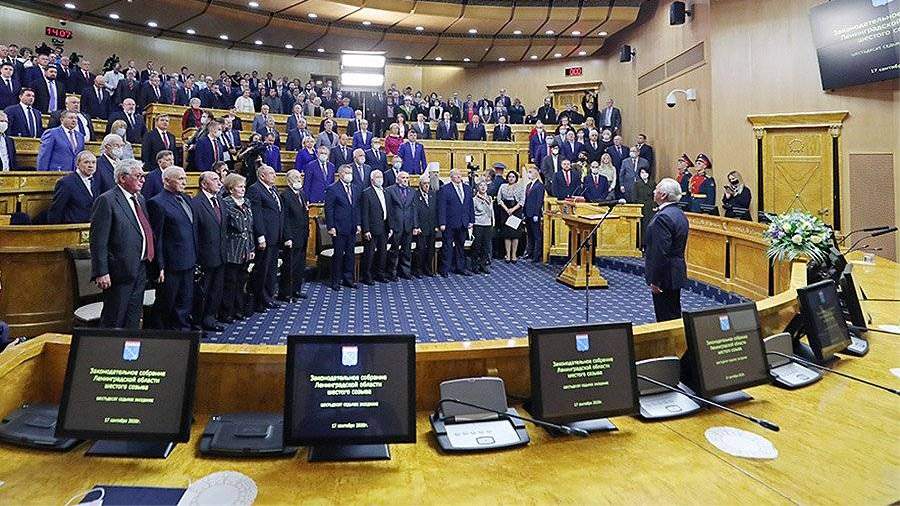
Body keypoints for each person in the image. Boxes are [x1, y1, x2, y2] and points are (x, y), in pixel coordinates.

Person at [90, 159, 154, 329]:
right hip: (118, 271)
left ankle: (129, 354)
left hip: (139, 268)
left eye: (143, 176)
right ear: (122, 178)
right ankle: (108, 354)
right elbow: (98, 240)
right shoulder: (107, 200)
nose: (143, 180)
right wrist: (101, 272)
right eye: (138, 176)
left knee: (133, 318)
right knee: (114, 319)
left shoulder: (140, 199)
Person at [148, 166, 198, 331]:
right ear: (167, 181)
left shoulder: (186, 199)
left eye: (185, 178)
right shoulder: (157, 202)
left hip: (189, 259)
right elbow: (158, 238)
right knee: (167, 302)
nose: (184, 182)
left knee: (185, 300)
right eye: (180, 179)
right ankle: (163, 334)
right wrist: (159, 265)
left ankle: (182, 330)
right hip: (171, 263)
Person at [645, 178, 689, 322]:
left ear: (663, 195)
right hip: (675, 272)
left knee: (665, 318)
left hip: (664, 276)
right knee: (674, 314)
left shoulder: (663, 217)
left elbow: (660, 252)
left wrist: (656, 280)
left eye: (656, 189)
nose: (653, 191)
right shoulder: (679, 213)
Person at [191, 171, 226, 332]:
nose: (219, 182)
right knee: (202, 293)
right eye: (214, 180)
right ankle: (198, 323)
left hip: (220, 254)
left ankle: (210, 320)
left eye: (219, 179)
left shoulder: (219, 200)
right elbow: (195, 232)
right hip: (204, 256)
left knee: (216, 291)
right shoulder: (196, 203)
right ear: (204, 184)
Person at [247, 164, 284, 311]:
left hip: (275, 236)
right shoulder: (255, 189)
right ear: (262, 175)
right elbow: (257, 215)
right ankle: (259, 299)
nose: (275, 176)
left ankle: (269, 296)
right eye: (271, 173)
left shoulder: (273, 189)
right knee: (262, 270)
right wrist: (261, 235)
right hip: (265, 237)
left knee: (271, 269)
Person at [220, 173, 255, 323]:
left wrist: (252, 248)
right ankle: (227, 312)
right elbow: (229, 228)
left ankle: (238, 310)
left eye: (244, 186)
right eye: (239, 187)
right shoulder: (226, 203)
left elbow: (250, 228)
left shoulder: (246, 202)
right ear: (231, 188)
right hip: (232, 250)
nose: (243, 189)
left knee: (242, 282)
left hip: (246, 249)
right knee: (230, 283)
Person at [324, 165, 361, 291]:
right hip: (338, 228)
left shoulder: (355, 188)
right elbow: (329, 209)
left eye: (350, 172)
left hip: (351, 227)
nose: (349, 175)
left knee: (350, 254)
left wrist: (358, 224)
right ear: (340, 174)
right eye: (346, 172)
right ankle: (335, 281)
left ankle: (348, 279)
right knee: (338, 255)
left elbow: (356, 208)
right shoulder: (332, 189)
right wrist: (331, 226)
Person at [437, 169, 475, 277]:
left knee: (460, 247)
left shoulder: (467, 188)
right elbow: (442, 207)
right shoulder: (445, 189)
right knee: (447, 247)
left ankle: (460, 268)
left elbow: (470, 206)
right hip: (449, 223)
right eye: (456, 175)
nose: (458, 176)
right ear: (451, 177)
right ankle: (445, 269)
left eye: (459, 175)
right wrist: (442, 223)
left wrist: (471, 220)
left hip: (463, 223)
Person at [47, 150, 100, 224]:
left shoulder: (96, 181)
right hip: (72, 228)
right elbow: (56, 210)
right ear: (77, 164)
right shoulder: (66, 182)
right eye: (86, 162)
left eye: (93, 162)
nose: (91, 165)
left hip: (91, 227)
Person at [279, 169, 309, 299]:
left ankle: (296, 289)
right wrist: (287, 237)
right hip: (292, 236)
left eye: (300, 177)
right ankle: (286, 292)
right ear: (289, 180)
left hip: (302, 235)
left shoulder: (301, 193)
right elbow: (284, 218)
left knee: (300, 265)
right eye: (296, 177)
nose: (299, 179)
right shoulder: (285, 195)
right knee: (290, 265)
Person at [386, 171, 418, 280]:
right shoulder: (390, 190)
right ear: (397, 179)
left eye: (407, 178)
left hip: (408, 225)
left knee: (407, 250)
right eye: (403, 177)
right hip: (396, 225)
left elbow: (414, 209)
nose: (405, 179)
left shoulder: (412, 191)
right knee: (394, 250)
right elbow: (388, 210)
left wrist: (415, 226)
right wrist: (390, 226)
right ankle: (392, 272)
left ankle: (405, 272)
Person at [360, 170, 390, 285]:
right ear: (372, 179)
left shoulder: (385, 192)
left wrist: (390, 227)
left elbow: (388, 210)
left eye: (381, 176)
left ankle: (380, 274)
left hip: (384, 227)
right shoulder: (366, 193)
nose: (380, 179)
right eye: (377, 177)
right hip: (371, 229)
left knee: (383, 252)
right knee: (370, 253)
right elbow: (365, 213)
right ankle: (367, 275)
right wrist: (366, 230)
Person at [497, 171, 525, 263]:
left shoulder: (520, 187)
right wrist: (506, 209)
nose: (511, 178)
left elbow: (522, 201)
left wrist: (512, 210)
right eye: (509, 177)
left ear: (516, 178)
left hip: (516, 211)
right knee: (507, 234)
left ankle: (514, 255)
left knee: (515, 234)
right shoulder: (503, 186)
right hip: (505, 211)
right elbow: (499, 199)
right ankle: (508, 254)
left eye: (513, 177)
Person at [412, 175, 438, 277]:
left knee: (431, 249)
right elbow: (414, 212)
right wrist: (416, 226)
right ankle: (418, 270)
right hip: (421, 228)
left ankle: (428, 268)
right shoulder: (415, 195)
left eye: (428, 183)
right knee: (420, 250)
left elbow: (436, 211)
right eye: (424, 184)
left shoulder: (433, 194)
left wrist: (436, 225)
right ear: (420, 185)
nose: (427, 186)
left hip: (432, 227)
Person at [471, 180, 495, 274]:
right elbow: (472, 213)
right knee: (477, 246)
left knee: (486, 246)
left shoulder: (489, 198)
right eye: (481, 185)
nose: (483, 187)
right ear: (478, 187)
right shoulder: (474, 199)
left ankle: (484, 264)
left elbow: (491, 212)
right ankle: (475, 265)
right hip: (478, 224)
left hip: (488, 224)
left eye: (484, 185)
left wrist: (493, 222)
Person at [523, 167, 545, 263]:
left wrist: (536, 214)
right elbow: (526, 200)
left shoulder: (540, 185)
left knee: (536, 235)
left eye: (531, 172)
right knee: (530, 235)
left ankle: (536, 256)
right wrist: (524, 212)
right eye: (529, 172)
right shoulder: (528, 185)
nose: (529, 174)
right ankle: (530, 253)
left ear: (536, 173)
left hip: (534, 213)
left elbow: (539, 201)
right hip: (528, 213)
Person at [633, 167, 656, 248]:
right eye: (642, 173)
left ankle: (650, 244)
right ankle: (641, 244)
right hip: (641, 208)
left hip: (650, 208)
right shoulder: (637, 184)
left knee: (650, 225)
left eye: (645, 172)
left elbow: (655, 196)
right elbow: (634, 197)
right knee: (642, 226)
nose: (644, 174)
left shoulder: (653, 183)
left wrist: (654, 206)